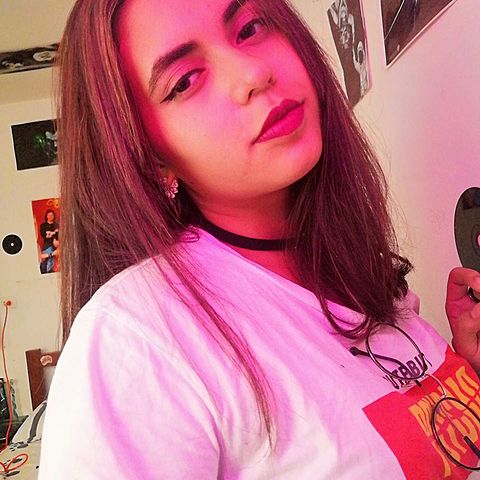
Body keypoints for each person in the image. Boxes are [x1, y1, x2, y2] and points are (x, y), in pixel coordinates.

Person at [39, 0, 480, 478]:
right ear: (148, 155)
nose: (253, 73)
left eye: (249, 28)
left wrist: (465, 369)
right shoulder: (134, 341)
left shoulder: (351, 265)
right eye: (185, 81)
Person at [39, 209, 59, 274]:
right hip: (47, 245)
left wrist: (51, 233)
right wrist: (54, 232)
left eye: (52, 215)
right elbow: (45, 235)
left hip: (56, 245)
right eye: (49, 215)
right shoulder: (43, 225)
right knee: (47, 259)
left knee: (53, 261)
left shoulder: (56, 225)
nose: (50, 216)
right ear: (46, 216)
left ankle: (50, 271)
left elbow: (58, 235)